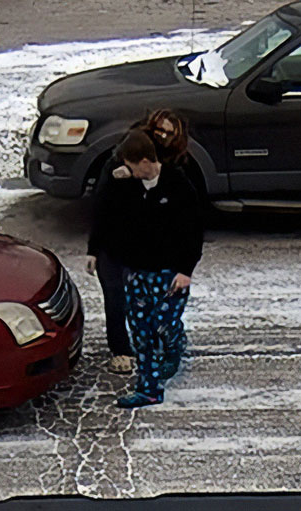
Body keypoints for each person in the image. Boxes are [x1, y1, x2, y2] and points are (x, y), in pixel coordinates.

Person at [90, 128, 203, 408]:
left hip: (170, 274)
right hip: (136, 271)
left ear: (143, 161)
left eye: (130, 165)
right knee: (142, 332)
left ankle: (175, 343)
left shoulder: (177, 183)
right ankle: (150, 389)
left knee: (163, 325)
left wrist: (186, 271)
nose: (127, 171)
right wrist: (94, 249)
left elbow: (193, 230)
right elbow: (104, 214)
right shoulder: (125, 187)